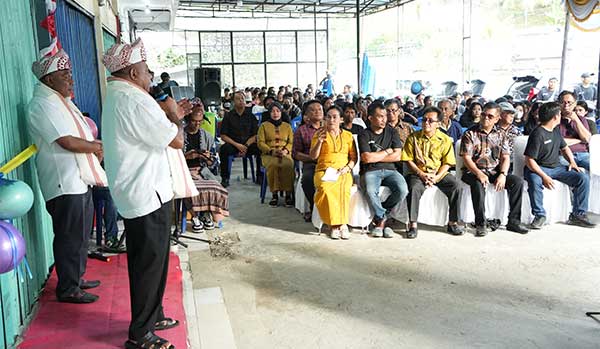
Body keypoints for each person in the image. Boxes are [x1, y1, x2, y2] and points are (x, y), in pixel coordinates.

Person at [102, 39, 187, 349]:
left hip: (142, 191)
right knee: (149, 263)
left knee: (153, 260)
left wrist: (167, 114)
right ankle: (140, 335)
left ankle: (154, 314)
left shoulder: (121, 96)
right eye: (147, 71)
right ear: (134, 73)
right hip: (145, 194)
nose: (151, 77)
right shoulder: (135, 101)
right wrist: (173, 113)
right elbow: (176, 140)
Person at [27, 48, 103, 304]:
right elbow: (67, 141)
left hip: (78, 178)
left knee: (81, 233)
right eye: (65, 74)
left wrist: (94, 147)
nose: (71, 79)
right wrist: (97, 147)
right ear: (49, 79)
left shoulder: (62, 101)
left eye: (70, 74)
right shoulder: (42, 104)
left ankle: (76, 278)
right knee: (69, 235)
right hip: (63, 181)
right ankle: (68, 287)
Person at [459, 102, 529, 236]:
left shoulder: (501, 135)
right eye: (484, 115)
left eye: (490, 116)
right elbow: (466, 159)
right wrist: (479, 173)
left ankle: (513, 221)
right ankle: (481, 223)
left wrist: (503, 174)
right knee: (478, 183)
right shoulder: (470, 133)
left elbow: (505, 157)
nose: (485, 118)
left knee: (517, 182)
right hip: (473, 171)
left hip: (493, 171)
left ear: (497, 119)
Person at [523, 102, 595, 230]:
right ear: (555, 117)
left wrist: (572, 162)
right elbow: (529, 161)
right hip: (538, 168)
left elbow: (565, 148)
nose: (561, 116)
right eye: (559, 114)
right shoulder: (537, 133)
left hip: (556, 167)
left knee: (582, 178)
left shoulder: (555, 131)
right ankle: (539, 215)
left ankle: (578, 214)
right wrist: (544, 176)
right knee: (534, 180)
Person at [400, 106, 464, 238]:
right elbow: (408, 159)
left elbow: (448, 163)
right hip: (418, 173)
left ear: (438, 124)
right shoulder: (413, 138)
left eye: (430, 120)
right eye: (424, 120)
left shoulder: (445, 139)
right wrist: (421, 174)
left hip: (438, 173)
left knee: (456, 186)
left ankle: (452, 222)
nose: (426, 123)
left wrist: (436, 177)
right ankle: (413, 225)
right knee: (414, 188)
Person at [358, 101, 408, 238]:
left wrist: (377, 156)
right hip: (371, 171)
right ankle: (383, 220)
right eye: (380, 116)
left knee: (403, 190)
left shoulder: (392, 132)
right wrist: (387, 152)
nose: (384, 119)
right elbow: (366, 158)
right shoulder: (364, 134)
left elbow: (398, 155)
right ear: (370, 118)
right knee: (370, 190)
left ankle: (381, 217)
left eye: (385, 116)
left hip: (391, 170)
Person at [310, 106, 357, 239]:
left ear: (341, 120)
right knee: (325, 189)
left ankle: (342, 224)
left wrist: (347, 168)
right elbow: (313, 156)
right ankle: (335, 225)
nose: (331, 120)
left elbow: (354, 158)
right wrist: (319, 142)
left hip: (343, 171)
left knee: (344, 189)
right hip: (323, 170)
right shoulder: (319, 133)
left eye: (335, 117)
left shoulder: (348, 136)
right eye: (328, 117)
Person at [183, 101, 229, 232]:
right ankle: (195, 215)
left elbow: (214, 163)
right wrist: (187, 156)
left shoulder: (207, 137)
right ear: (188, 120)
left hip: (202, 170)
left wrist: (208, 159)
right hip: (184, 171)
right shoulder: (180, 136)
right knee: (191, 188)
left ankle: (206, 213)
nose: (197, 124)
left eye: (199, 121)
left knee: (215, 186)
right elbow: (172, 160)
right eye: (194, 121)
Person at [218, 91, 260, 187]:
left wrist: (245, 146)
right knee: (224, 149)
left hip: (248, 144)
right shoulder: (228, 116)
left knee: (260, 148)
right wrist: (237, 145)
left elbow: (256, 135)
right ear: (233, 102)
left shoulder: (250, 115)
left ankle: (260, 176)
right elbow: (223, 135)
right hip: (233, 144)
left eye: (242, 99)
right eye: (238, 99)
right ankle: (225, 178)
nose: (241, 101)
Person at [257, 102, 295, 207]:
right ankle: (274, 194)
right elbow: (260, 142)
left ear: (281, 112)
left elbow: (291, 142)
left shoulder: (287, 126)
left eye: (278, 111)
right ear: (269, 113)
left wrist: (286, 150)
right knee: (273, 165)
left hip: (285, 153)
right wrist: (271, 151)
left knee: (288, 165)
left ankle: (288, 194)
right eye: (273, 111)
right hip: (269, 153)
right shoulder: (263, 126)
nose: (275, 113)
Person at [292, 100, 323, 221]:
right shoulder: (302, 130)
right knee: (307, 179)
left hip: (329, 162)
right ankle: (313, 206)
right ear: (307, 115)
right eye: (313, 110)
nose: (317, 112)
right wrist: (311, 158)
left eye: (320, 109)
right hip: (310, 163)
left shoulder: (329, 127)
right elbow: (295, 153)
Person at [557, 90, 595, 170]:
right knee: (573, 173)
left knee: (596, 168)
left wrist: (576, 120)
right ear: (559, 104)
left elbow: (587, 139)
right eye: (563, 102)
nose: (566, 106)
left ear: (574, 104)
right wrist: (579, 140)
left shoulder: (581, 119)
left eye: (569, 103)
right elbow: (559, 142)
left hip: (583, 154)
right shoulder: (555, 119)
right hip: (564, 155)